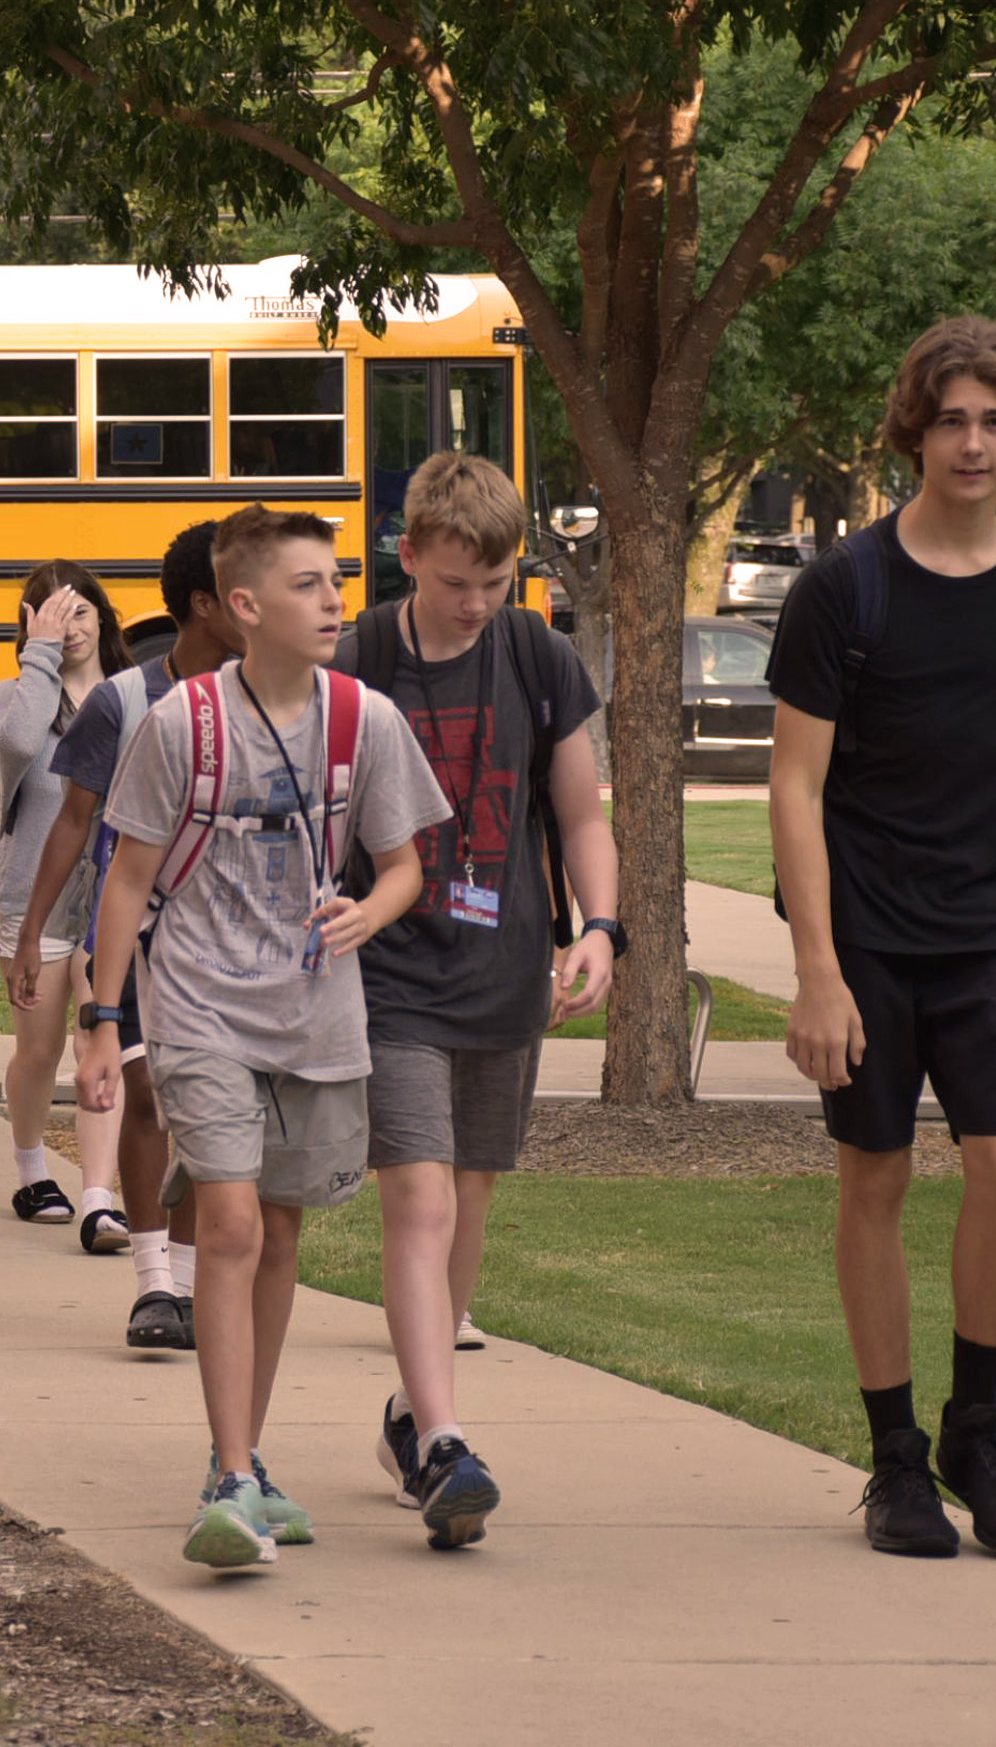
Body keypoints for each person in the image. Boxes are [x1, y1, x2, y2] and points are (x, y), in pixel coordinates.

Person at [767, 317, 996, 1559]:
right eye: (952, 417)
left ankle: (975, 1425)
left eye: (995, 420)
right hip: (863, 930)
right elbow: (793, 786)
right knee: (873, 1175)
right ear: (913, 427)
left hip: (989, 921)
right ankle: (895, 1459)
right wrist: (813, 969)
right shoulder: (841, 587)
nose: (971, 440)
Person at [82, 503, 444, 1575]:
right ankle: (232, 1472)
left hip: (314, 1011)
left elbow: (402, 862)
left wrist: (367, 912)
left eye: (334, 580)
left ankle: (239, 1456)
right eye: (306, 583)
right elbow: (129, 877)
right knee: (230, 1223)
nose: (333, 598)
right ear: (243, 605)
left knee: (277, 1235)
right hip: (196, 1005)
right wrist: (103, 1024)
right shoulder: (181, 722)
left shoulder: (362, 719)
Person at [343, 450, 617, 1550]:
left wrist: (598, 927)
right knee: (416, 1193)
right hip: (387, 970)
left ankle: (412, 1414)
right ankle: (448, 1437)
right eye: (456, 579)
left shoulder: (536, 656)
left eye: (495, 582)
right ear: (408, 552)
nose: (474, 603)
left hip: (502, 968)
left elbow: (581, 815)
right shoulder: (360, 653)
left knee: (469, 1193)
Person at [4, 518, 238, 1349]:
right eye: (243, 589)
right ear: (203, 606)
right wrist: (32, 932)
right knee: (143, 1097)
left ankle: (183, 1275)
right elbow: (73, 821)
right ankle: (152, 1286)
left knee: (211, 1118)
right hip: (134, 933)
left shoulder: (280, 695)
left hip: (238, 942)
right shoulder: (125, 700)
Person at [0, 561, 130, 1249]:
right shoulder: (12, 699)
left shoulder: (133, 697)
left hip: (114, 900)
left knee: (97, 1041)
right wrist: (37, 653)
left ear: (102, 617)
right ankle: (30, 1166)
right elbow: (17, 745)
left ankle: (99, 1196)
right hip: (32, 898)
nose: (67, 628)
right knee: (38, 1054)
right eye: (49, 615)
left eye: (77, 613)